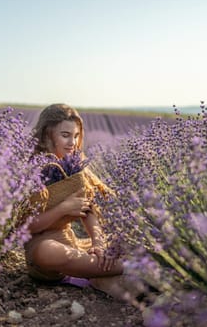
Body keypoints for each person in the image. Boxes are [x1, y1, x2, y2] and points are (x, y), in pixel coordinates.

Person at [24, 103, 131, 300]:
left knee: (125, 240)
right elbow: (26, 227)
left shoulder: (74, 167)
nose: (72, 142)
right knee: (47, 252)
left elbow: (88, 209)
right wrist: (63, 209)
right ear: (47, 135)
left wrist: (98, 243)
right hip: (42, 249)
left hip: (71, 243)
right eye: (65, 135)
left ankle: (97, 271)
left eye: (76, 136)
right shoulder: (31, 170)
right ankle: (130, 269)